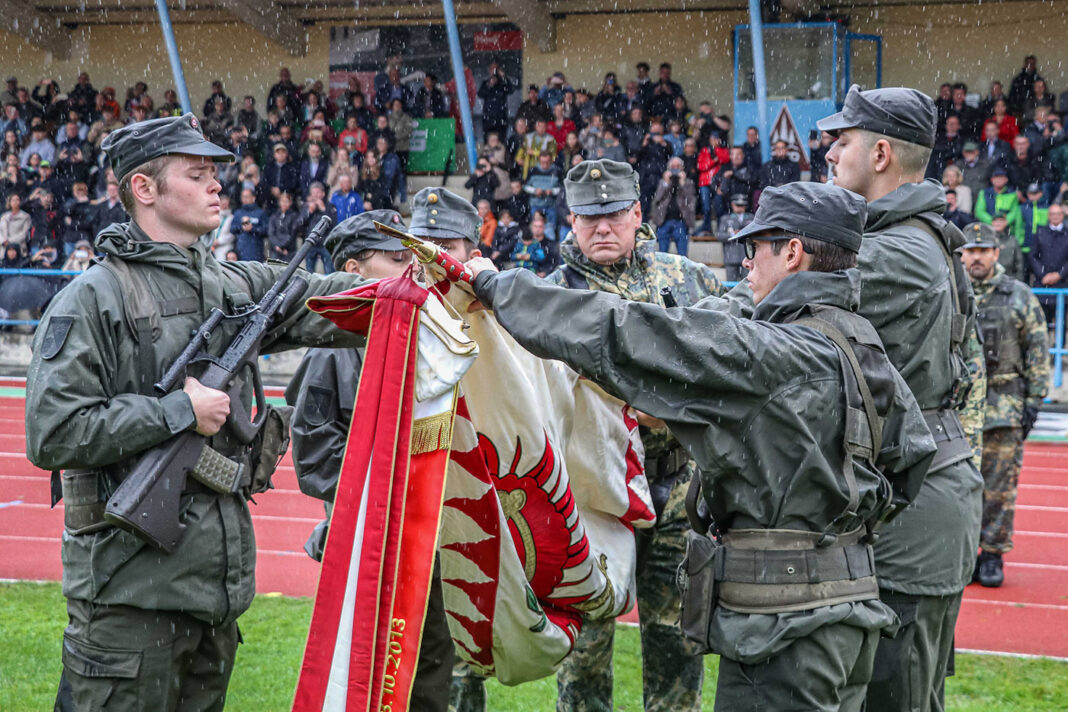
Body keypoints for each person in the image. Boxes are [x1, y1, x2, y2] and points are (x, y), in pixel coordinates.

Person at [466, 179, 936, 712]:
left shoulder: (768, 351)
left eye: (755, 249)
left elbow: (624, 332)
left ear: (793, 252)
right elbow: (911, 459)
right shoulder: (857, 341)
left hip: (780, 625)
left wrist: (496, 285)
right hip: (849, 613)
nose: (745, 265)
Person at [26, 112, 369, 712]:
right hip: (128, 606)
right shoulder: (91, 299)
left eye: (217, 173)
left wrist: (417, 286)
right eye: (198, 173)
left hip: (215, 601)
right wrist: (175, 411)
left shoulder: (225, 284)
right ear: (144, 188)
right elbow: (52, 433)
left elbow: (323, 301)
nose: (218, 185)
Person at [533, 159, 721, 712]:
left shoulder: (690, 280)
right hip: (589, 498)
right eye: (589, 217)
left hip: (677, 491)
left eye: (614, 213)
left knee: (676, 643)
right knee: (584, 650)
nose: (603, 228)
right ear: (570, 220)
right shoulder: (550, 298)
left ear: (638, 212)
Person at [820, 84, 985, 712]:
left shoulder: (901, 251)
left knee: (896, 697)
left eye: (843, 141)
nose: (831, 154)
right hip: (905, 496)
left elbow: (766, 309)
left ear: (881, 152)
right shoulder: (906, 238)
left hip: (914, 514)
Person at [284, 209, 457, 711]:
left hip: (425, 541)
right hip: (372, 544)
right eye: (397, 258)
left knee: (428, 671)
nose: (412, 268)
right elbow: (316, 455)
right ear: (354, 272)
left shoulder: (421, 337)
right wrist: (390, 493)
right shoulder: (333, 352)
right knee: (370, 673)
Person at [961, 222, 1049, 587]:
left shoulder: (1019, 295)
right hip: (959, 411)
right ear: (962, 255)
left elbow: (1038, 350)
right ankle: (963, 555)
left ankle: (992, 555)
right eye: (971, 250)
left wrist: (1034, 402)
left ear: (997, 253)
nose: (977, 256)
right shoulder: (951, 293)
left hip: (1003, 408)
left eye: (984, 250)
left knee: (998, 489)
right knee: (960, 489)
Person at [650, 156, 695, 255]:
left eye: (678, 166)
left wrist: (682, 183)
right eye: (673, 166)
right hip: (664, 221)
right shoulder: (663, 182)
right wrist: (666, 183)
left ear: (682, 168)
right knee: (662, 254)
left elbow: (690, 200)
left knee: (682, 254)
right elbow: (657, 199)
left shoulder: (688, 182)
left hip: (681, 221)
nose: (675, 169)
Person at [299, 181, 337, 273]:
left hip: (325, 243)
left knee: (329, 271)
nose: (315, 196)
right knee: (308, 272)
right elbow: (300, 224)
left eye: (318, 193)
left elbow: (333, 225)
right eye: (313, 193)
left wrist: (323, 209)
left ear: (323, 194)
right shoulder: (306, 206)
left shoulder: (330, 206)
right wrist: (309, 212)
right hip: (310, 243)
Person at [715, 193, 753, 282]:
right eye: (738, 205)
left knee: (748, 285)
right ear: (732, 205)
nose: (740, 207)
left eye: (742, 205)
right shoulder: (725, 219)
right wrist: (733, 235)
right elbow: (719, 236)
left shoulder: (751, 218)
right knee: (731, 287)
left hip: (747, 256)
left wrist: (745, 234)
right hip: (731, 257)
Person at [230, 186, 267, 262]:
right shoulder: (238, 213)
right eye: (243, 197)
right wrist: (241, 227)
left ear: (253, 198)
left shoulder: (260, 213)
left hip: (256, 251)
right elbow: (232, 229)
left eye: (247, 196)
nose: (245, 199)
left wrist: (252, 229)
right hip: (240, 250)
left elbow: (266, 230)